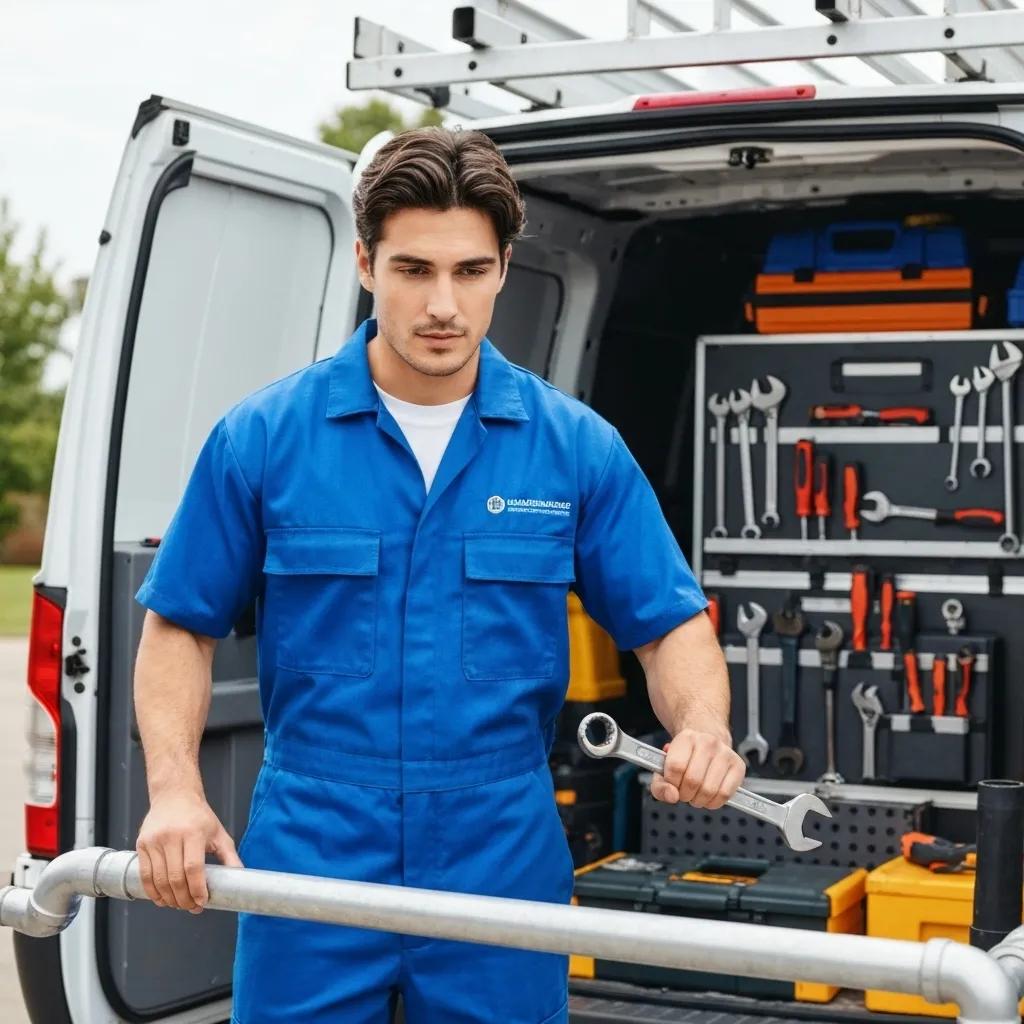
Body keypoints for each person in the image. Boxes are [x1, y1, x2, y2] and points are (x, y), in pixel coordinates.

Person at [132, 126, 743, 1024]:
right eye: (415, 270)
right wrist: (175, 793)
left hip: (500, 846)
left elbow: (667, 622)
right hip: (315, 843)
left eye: (470, 271)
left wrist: (703, 727)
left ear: (503, 269)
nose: (443, 304)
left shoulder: (574, 448)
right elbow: (177, 625)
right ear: (367, 263)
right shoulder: (263, 439)